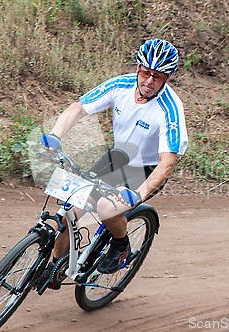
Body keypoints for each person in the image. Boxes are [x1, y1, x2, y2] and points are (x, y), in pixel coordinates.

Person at [37, 38, 188, 288]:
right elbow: (79, 108)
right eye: (146, 73)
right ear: (138, 68)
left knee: (107, 207)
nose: (149, 81)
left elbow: (166, 165)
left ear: (168, 78)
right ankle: (55, 264)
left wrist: (137, 195)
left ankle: (121, 245)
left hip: (147, 169)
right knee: (72, 207)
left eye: (158, 76)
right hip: (119, 156)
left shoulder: (170, 110)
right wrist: (55, 134)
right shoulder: (121, 85)